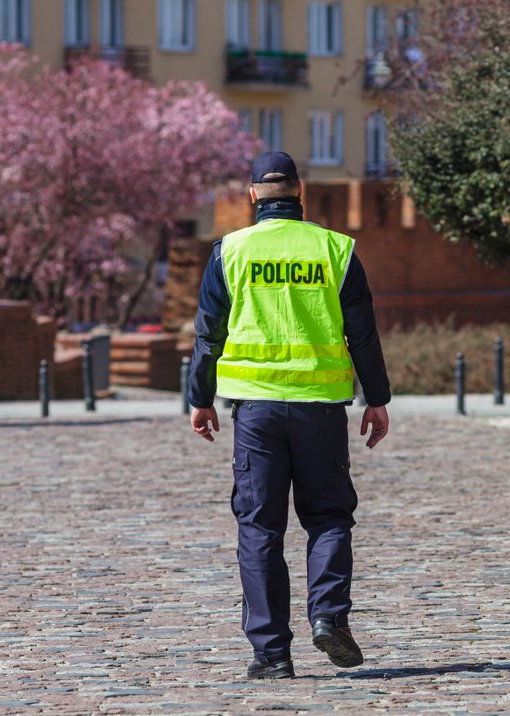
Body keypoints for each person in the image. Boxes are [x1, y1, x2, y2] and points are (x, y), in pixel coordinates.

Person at [187, 151, 392, 680]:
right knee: (327, 517)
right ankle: (328, 617)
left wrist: (200, 396)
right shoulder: (335, 249)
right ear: (300, 192)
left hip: (254, 410)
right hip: (320, 408)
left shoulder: (229, 252)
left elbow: (209, 332)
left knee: (259, 527)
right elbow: (362, 333)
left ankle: (272, 654)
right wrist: (377, 397)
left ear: (252, 195)